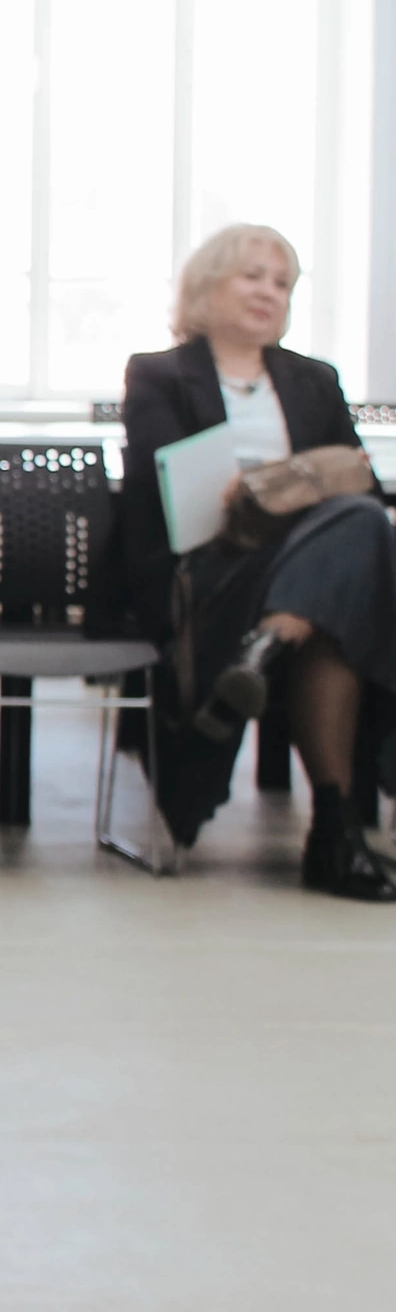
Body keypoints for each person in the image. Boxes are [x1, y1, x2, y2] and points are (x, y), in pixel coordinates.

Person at [117, 224, 396, 900]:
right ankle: (333, 838)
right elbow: (161, 481)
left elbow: (357, 483)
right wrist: (294, 484)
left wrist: (274, 489)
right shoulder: (159, 374)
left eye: (282, 283)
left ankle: (271, 643)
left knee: (352, 541)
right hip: (210, 566)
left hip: (305, 566)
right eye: (253, 276)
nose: (269, 293)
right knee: (342, 574)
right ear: (207, 286)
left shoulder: (314, 380)